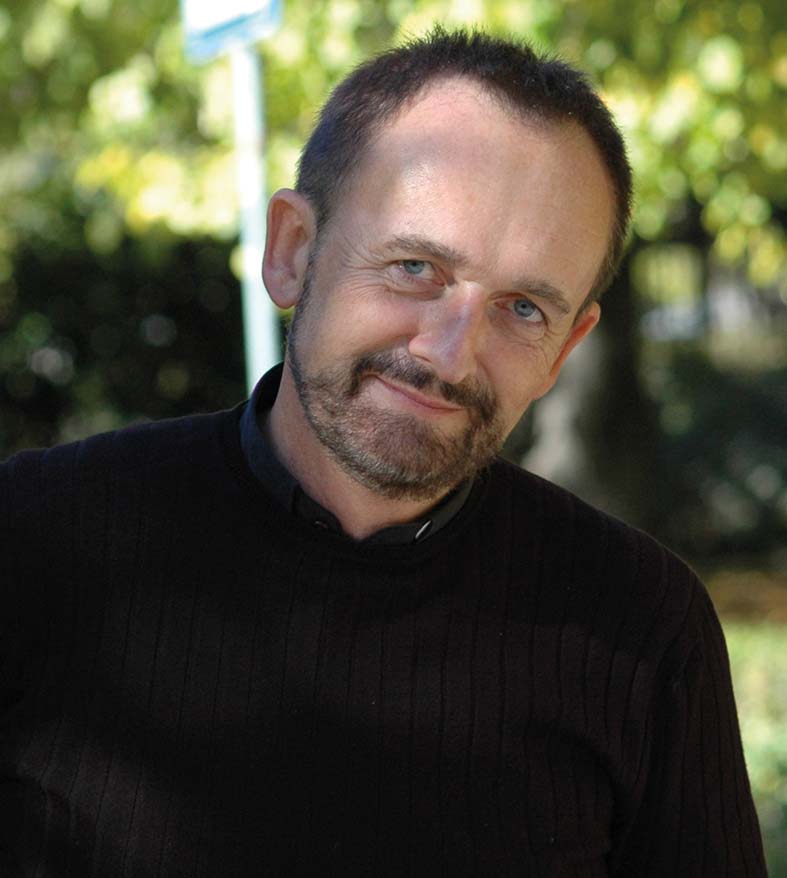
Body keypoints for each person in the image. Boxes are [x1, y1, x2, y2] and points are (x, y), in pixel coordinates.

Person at [0, 28, 765, 878]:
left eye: (522, 308)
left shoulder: (642, 626)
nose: (449, 354)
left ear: (565, 348)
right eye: (413, 266)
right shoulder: (35, 538)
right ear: (292, 252)